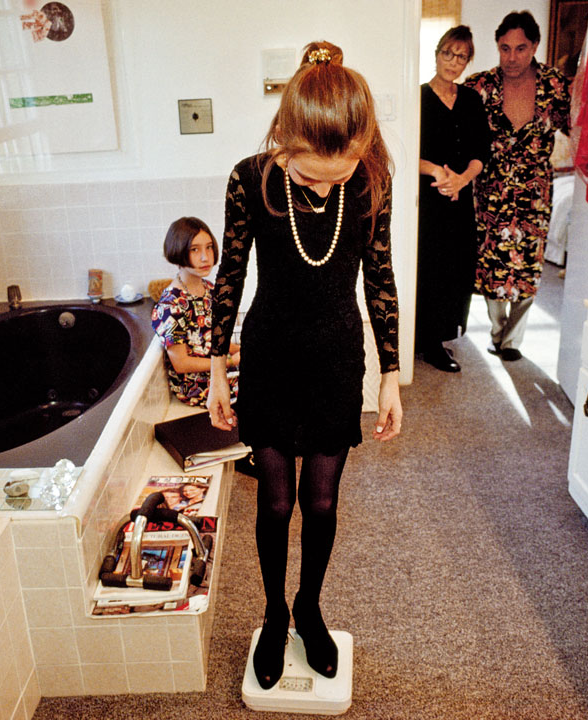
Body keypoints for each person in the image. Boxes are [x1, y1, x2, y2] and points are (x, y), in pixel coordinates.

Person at [206, 41, 402, 689]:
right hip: (269, 356)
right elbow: (228, 277)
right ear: (286, 138)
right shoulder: (250, 178)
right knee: (274, 501)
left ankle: (308, 609)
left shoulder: (372, 182)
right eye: (312, 174)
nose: (324, 186)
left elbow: (381, 279)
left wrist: (392, 375)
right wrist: (214, 367)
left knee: (320, 503)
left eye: (337, 175)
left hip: (337, 358)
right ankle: (271, 611)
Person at [465, 11, 570, 361]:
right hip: (491, 191)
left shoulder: (556, 86)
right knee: (493, 263)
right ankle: (497, 332)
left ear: (535, 46)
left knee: (528, 265)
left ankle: (513, 340)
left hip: (534, 192)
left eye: (520, 48)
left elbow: (580, 130)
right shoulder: (480, 86)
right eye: (504, 48)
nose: (512, 58)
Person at [417, 25, 490, 372]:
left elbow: (480, 152)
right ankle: (426, 341)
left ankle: (442, 335)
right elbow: (404, 153)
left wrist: (461, 179)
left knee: (456, 267)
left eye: (461, 56)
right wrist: (436, 172)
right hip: (428, 201)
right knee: (429, 267)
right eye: (448, 53)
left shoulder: (472, 100)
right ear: (436, 54)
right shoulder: (417, 98)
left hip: (460, 199)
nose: (453, 61)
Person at [151, 217, 240, 405]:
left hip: (217, 372)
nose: (205, 257)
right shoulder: (170, 305)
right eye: (195, 249)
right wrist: (230, 361)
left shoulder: (209, 289)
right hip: (198, 387)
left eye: (209, 247)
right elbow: (181, 364)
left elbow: (212, 339)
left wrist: (241, 351)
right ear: (178, 251)